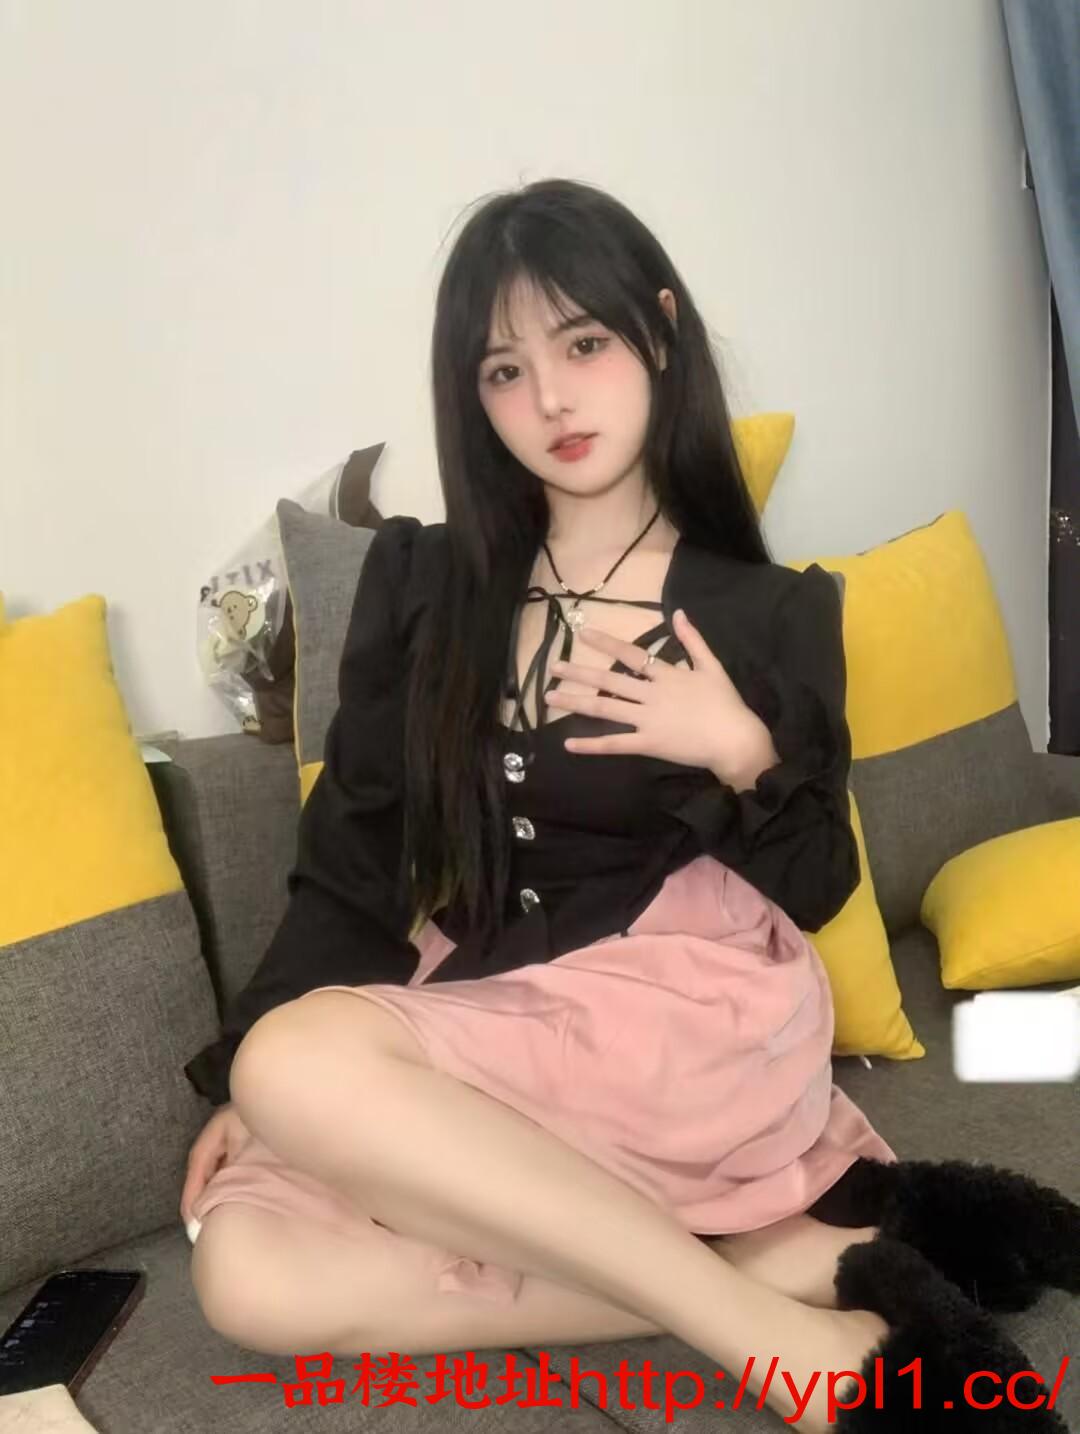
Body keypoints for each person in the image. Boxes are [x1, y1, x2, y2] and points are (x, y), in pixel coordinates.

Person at [179, 179, 1076, 1432]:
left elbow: (819, 884)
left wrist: (740, 751)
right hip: (491, 1004)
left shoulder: (765, 610)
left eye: (584, 344)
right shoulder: (423, 585)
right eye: (505, 370)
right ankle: (775, 1270)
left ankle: (783, 1350)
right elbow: (355, 858)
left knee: (294, 1067)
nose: (551, 399)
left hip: (680, 1012)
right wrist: (248, 1087)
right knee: (246, 1275)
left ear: (657, 331)